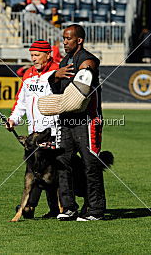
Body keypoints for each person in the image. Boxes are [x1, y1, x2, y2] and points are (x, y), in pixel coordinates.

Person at [48, 24, 105, 221]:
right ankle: (69, 207)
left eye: (68, 38)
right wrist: (56, 75)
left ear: (79, 40)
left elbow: (89, 67)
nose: (64, 42)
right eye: (63, 38)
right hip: (66, 120)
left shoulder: (86, 57)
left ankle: (95, 210)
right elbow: (57, 90)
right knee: (63, 161)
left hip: (87, 120)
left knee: (90, 163)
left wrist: (84, 70)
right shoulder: (64, 61)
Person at [7, 40, 60, 218]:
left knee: (48, 172)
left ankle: (38, 207)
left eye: (37, 55)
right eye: (31, 55)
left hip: (52, 131)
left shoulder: (58, 71)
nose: (33, 59)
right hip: (34, 133)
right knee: (36, 170)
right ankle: (33, 207)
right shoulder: (28, 74)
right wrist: (13, 119)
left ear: (48, 54)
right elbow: (21, 102)